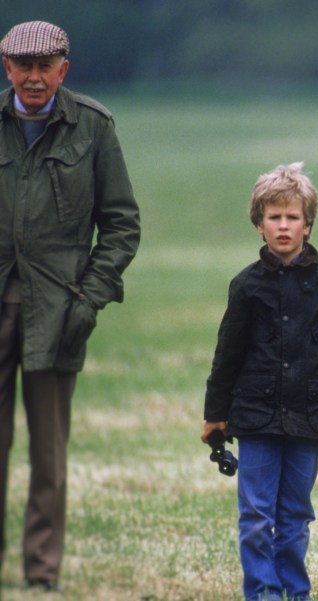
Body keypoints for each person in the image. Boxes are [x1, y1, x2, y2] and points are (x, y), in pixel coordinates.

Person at [0, 21, 140, 591]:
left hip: (58, 312)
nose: (34, 77)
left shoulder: (93, 126)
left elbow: (122, 225)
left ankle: (41, 574)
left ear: (65, 68)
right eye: (22, 65)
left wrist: (89, 298)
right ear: (6, 68)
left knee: (49, 457)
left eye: (46, 65)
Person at [202, 163, 318, 601]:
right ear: (259, 224)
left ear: (308, 224)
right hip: (255, 418)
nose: (283, 225)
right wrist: (215, 416)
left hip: (311, 417)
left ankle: (295, 593)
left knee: (295, 514)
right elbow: (227, 357)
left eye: (292, 217)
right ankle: (262, 593)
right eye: (274, 217)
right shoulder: (246, 286)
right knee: (256, 515)